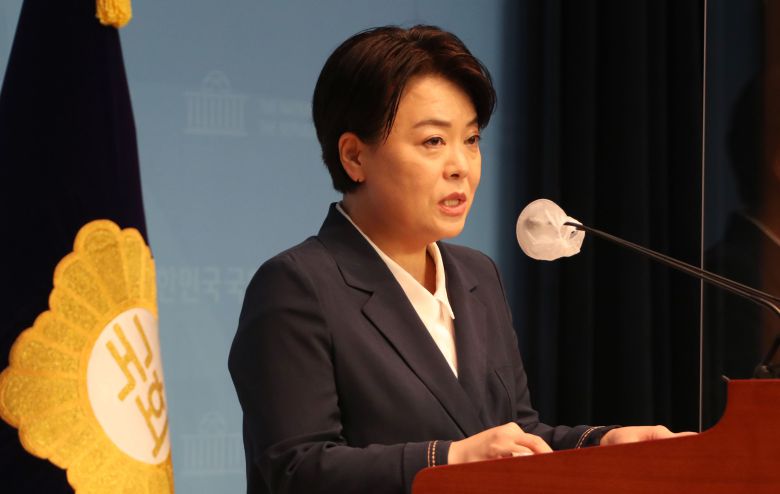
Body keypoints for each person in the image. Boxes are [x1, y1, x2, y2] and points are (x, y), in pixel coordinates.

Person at [229, 25, 690, 494]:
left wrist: (605, 444)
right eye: (433, 141)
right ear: (354, 157)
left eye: (470, 139)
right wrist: (448, 459)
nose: (461, 166)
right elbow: (297, 469)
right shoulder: (297, 286)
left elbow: (516, 437)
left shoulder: (476, 275)